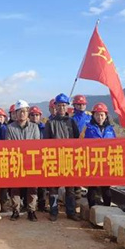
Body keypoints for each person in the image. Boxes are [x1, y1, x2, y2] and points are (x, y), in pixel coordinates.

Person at [43, 93, 80, 222]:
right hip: (54, 159)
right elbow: (45, 142)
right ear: (55, 107)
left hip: (69, 158)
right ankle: (53, 212)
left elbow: (77, 139)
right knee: (53, 188)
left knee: (70, 188)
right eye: (59, 105)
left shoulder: (71, 122)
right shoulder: (50, 123)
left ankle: (71, 212)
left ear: (67, 106)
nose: (61, 108)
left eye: (64, 105)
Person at [5, 100, 41, 221]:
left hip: (31, 162)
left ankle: (31, 210)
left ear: (27, 113)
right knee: (15, 187)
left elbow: (37, 144)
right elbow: (8, 145)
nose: (22, 114)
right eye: (19, 112)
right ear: (15, 113)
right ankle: (16, 210)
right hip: (16, 161)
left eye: (24, 111)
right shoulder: (10, 128)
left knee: (32, 187)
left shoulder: (34, 127)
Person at [83, 103, 116, 208]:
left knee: (106, 188)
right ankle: (91, 208)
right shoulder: (88, 128)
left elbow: (116, 145)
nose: (99, 117)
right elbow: (80, 143)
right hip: (93, 162)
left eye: (102, 115)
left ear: (106, 116)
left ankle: (107, 208)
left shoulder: (110, 130)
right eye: (97, 115)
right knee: (92, 187)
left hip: (106, 163)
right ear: (93, 115)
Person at [29, 106, 47, 212]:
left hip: (43, 157)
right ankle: (28, 205)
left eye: (37, 115)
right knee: (30, 183)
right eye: (32, 115)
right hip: (30, 158)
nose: (35, 117)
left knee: (42, 184)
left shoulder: (45, 127)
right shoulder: (27, 127)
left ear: (40, 116)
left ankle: (42, 205)